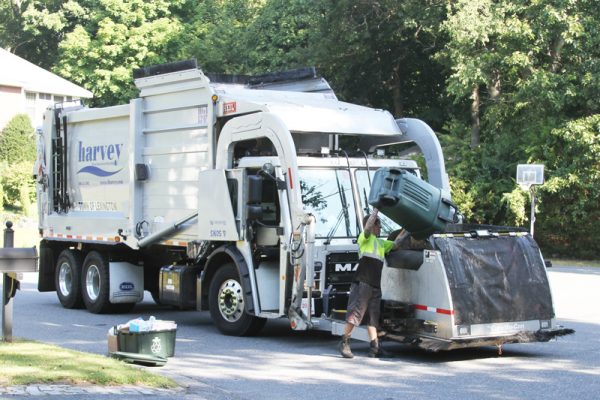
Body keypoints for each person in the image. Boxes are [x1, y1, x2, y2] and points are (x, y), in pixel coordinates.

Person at [338, 208, 409, 358]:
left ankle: (375, 347)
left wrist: (407, 229)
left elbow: (396, 243)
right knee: (356, 314)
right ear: (373, 226)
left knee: (372, 317)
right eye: (379, 225)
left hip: (375, 285)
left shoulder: (381, 244)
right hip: (362, 283)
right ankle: (344, 343)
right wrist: (375, 211)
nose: (381, 228)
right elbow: (368, 227)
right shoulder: (364, 238)